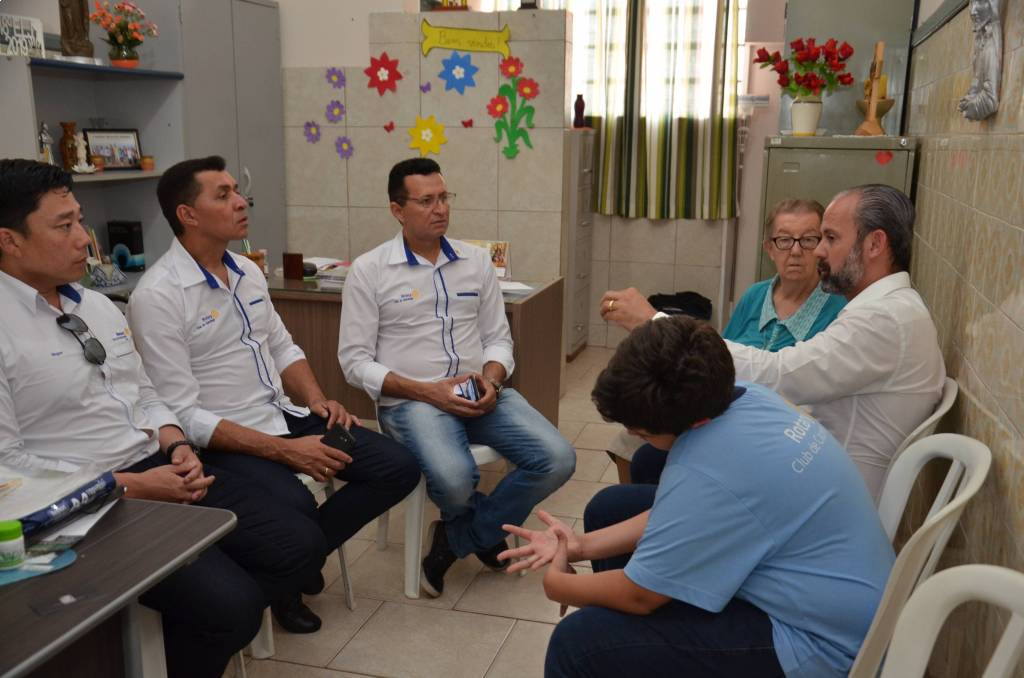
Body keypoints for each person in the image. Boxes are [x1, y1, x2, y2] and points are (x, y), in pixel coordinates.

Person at [0, 159, 317, 677]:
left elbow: (144, 393)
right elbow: (9, 469)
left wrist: (176, 444)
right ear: (10, 241)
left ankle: (167, 638)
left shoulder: (97, 306)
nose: (84, 240)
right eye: (64, 226)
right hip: (91, 501)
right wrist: (128, 486)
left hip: (160, 463)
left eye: (80, 220)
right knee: (233, 607)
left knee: (299, 546)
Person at [503, 317, 895, 678]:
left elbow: (640, 596)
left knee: (579, 643)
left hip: (825, 647)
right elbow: (680, 512)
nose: (636, 436)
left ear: (686, 423)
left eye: (641, 432)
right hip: (845, 603)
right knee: (611, 509)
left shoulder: (709, 468)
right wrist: (580, 545)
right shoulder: (750, 398)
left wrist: (557, 583)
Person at [127, 156, 420, 632]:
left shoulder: (246, 270)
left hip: (285, 415)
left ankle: (295, 564)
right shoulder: (158, 295)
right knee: (296, 505)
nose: (241, 202)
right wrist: (286, 452)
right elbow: (183, 414)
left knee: (397, 467)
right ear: (188, 214)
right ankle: (289, 580)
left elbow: (283, 346)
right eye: (223, 194)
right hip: (225, 440)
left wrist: (317, 400)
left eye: (236, 191)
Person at [600, 184, 944, 499]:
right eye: (787, 240)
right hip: (814, 469)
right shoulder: (888, 310)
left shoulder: (883, 320)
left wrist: (656, 321)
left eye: (828, 238)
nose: (817, 251)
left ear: (875, 244)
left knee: (612, 502)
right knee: (647, 460)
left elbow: (780, 374)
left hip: (819, 491)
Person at [338, 157, 575, 597]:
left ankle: (457, 536)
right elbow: (354, 362)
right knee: (453, 477)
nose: (440, 208)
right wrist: (427, 391)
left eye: (444, 197)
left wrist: (492, 381)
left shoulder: (475, 261)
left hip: (479, 392)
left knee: (558, 458)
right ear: (397, 210)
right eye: (426, 201)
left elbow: (498, 339)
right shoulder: (370, 271)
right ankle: (482, 534)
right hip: (412, 402)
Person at [618, 198, 847, 482]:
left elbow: (801, 389)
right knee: (632, 434)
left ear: (822, 247)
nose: (796, 251)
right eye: (784, 240)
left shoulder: (837, 310)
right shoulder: (755, 295)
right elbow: (714, 361)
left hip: (777, 433)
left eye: (809, 240)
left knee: (650, 455)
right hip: (722, 412)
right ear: (769, 249)